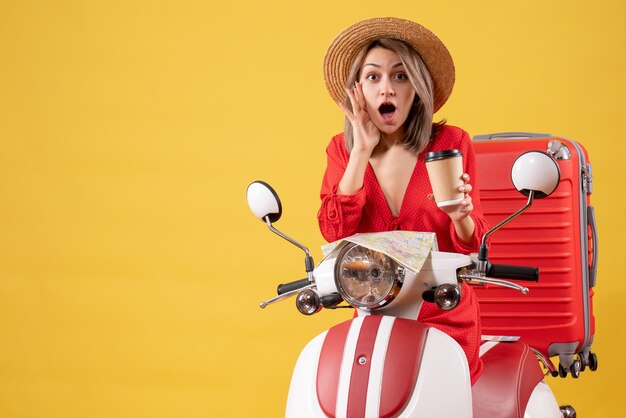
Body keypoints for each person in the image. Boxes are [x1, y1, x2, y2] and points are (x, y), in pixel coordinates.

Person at [318, 17, 489, 385]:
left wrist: (461, 216)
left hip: (444, 317)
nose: (387, 90)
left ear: (418, 87)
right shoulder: (341, 150)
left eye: (400, 76)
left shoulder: (450, 142)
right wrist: (360, 151)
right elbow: (334, 232)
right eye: (373, 77)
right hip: (373, 320)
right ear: (357, 90)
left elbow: (475, 246)